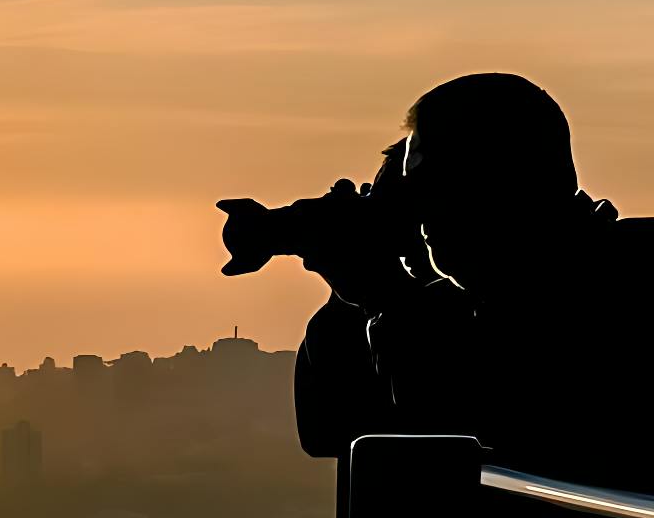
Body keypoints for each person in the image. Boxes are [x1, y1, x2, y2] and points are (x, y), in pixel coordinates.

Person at [228, 72, 654, 483]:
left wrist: (384, 294)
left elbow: (475, 426)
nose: (418, 210)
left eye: (431, 183)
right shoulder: (466, 305)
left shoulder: (629, 277)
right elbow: (332, 429)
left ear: (500, 176)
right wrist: (351, 286)